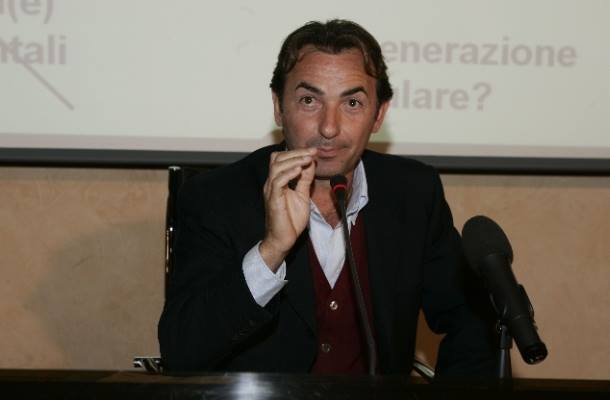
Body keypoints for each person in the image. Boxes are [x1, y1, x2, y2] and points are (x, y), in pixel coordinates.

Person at [158, 19, 495, 376]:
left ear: (379, 114)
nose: (329, 127)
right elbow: (181, 351)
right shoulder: (215, 197)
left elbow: (472, 322)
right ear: (278, 107)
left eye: (352, 102)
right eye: (309, 100)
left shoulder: (413, 193)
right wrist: (271, 251)